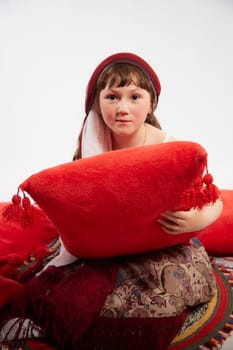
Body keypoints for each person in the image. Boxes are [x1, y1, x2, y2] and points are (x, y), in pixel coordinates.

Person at [0, 52, 223, 350]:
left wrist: (200, 219)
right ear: (97, 102)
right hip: (102, 245)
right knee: (63, 291)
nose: (122, 109)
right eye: (112, 97)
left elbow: (213, 198)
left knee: (150, 293)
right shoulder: (92, 144)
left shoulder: (166, 146)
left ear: (151, 103)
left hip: (159, 242)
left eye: (134, 96)